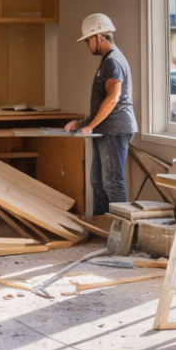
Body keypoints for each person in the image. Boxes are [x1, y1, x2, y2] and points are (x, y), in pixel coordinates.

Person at [65, 13, 135, 216]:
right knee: (97, 180)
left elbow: (113, 99)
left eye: (88, 40)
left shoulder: (113, 62)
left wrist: (90, 126)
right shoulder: (107, 61)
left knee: (112, 182)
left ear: (99, 36)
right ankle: (101, 227)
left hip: (114, 130)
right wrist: (82, 122)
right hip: (105, 129)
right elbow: (102, 104)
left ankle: (121, 232)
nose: (87, 44)